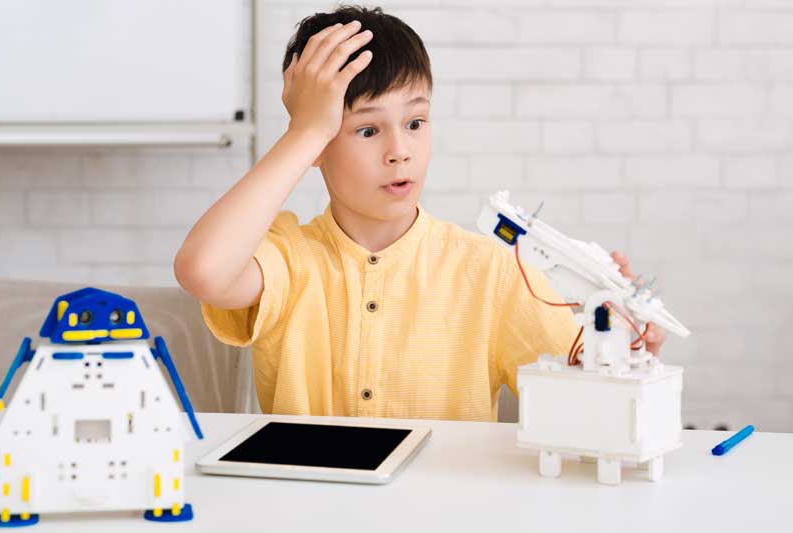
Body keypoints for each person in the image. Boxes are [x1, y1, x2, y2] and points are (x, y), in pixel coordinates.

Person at [174, 5, 665, 421]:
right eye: (368, 131)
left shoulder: (489, 270)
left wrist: (625, 348)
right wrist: (303, 133)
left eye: (415, 122)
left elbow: (585, 406)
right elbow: (203, 270)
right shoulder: (287, 260)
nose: (399, 151)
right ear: (318, 142)